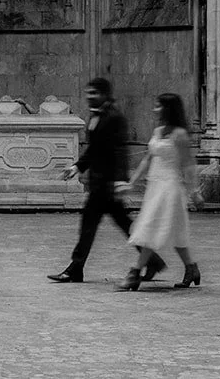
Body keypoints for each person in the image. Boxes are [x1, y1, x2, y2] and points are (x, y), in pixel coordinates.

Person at [47, 77, 165, 284]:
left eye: (93, 93)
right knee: (123, 225)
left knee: (92, 226)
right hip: (101, 183)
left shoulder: (114, 117)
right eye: (87, 93)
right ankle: (153, 261)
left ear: (104, 94)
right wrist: (77, 167)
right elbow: (95, 149)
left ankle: (76, 269)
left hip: (108, 184)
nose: (89, 97)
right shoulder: (97, 116)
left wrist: (120, 180)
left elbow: (120, 150)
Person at [115, 92, 202, 291]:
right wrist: (131, 182)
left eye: (158, 105)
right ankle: (191, 268)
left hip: (170, 187)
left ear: (167, 108)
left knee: (151, 227)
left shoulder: (179, 134)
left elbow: (188, 165)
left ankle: (134, 273)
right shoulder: (158, 131)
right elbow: (148, 158)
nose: (154, 109)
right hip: (155, 186)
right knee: (175, 232)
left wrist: (194, 191)